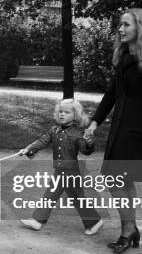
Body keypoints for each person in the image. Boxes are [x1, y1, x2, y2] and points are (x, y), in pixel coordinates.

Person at [85, 8, 142, 254]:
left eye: (126, 25)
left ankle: (128, 229)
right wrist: (95, 122)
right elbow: (112, 93)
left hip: (139, 129)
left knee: (117, 180)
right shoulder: (124, 55)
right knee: (120, 180)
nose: (121, 29)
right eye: (120, 25)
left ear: (140, 28)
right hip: (120, 127)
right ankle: (130, 228)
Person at [18, 98, 104, 236]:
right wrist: (28, 149)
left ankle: (94, 222)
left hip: (71, 172)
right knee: (50, 195)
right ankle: (37, 220)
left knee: (76, 198)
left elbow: (85, 151)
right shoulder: (54, 130)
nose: (62, 114)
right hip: (60, 170)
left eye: (67, 112)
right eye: (60, 112)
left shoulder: (78, 133)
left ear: (75, 115)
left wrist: (89, 143)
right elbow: (42, 141)